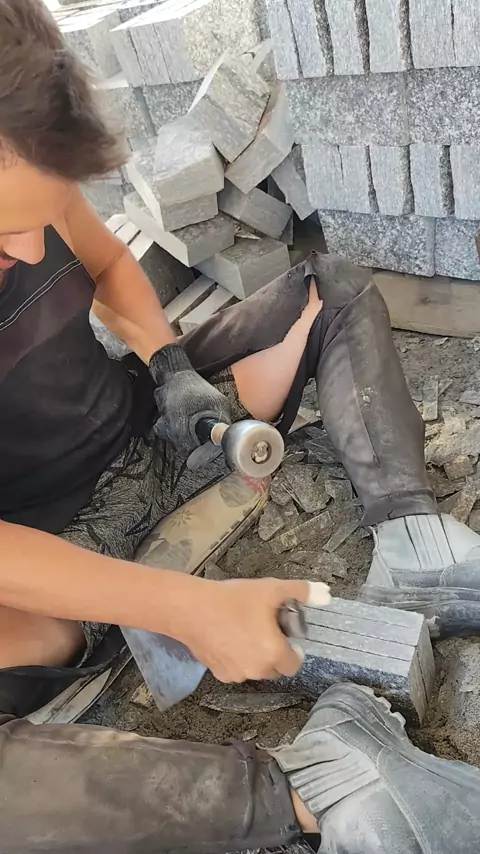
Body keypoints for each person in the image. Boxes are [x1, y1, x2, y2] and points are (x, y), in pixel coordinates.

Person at [2, 3, 480, 852]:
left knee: (328, 291)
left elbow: (108, 262)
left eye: (35, 220)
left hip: (152, 437)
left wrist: (169, 369)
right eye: (4, 237)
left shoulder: (23, 170)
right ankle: (317, 790)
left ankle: (417, 544)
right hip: (49, 560)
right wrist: (184, 607)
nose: (32, 250)